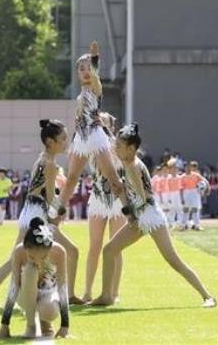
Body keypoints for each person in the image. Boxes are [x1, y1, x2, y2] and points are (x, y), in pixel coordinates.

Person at [89, 123, 216, 308]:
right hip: (141, 216)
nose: (114, 149)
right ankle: (106, 296)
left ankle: (207, 296)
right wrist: (129, 208)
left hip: (151, 217)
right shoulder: (127, 162)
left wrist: (128, 203)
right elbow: (133, 195)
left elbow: (142, 196)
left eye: (118, 146)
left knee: (174, 261)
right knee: (110, 250)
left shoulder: (132, 166)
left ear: (131, 148)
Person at [0, 119, 83, 309]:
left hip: (31, 213)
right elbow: (51, 198)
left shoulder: (42, 160)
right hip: (36, 217)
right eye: (63, 139)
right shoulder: (50, 164)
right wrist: (60, 211)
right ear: (50, 141)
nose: (66, 142)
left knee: (20, 259)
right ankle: (59, 296)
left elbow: (43, 194)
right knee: (61, 253)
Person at [57, 41, 128, 241]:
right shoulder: (80, 95)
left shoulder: (96, 87)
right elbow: (79, 120)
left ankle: (128, 211)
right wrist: (72, 142)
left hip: (96, 134)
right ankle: (58, 212)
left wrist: (95, 58)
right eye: (82, 68)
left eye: (89, 68)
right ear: (77, 73)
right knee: (71, 178)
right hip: (81, 137)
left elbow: (96, 77)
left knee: (113, 177)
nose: (86, 71)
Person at [0, 218, 70, 339]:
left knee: (48, 310)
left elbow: (62, 287)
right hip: (24, 294)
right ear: (25, 248)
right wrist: (4, 325)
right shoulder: (19, 251)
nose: (37, 262)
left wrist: (65, 326)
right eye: (31, 257)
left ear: (50, 248)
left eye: (43, 258)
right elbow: (14, 287)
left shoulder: (59, 252)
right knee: (31, 270)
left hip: (47, 292)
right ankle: (31, 325)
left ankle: (45, 322)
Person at [83, 112, 126, 302]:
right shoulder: (93, 144)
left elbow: (120, 159)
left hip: (118, 199)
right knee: (95, 246)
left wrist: (107, 132)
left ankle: (113, 292)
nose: (99, 124)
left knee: (116, 247)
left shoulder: (119, 145)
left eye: (104, 121)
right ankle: (87, 291)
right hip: (98, 197)